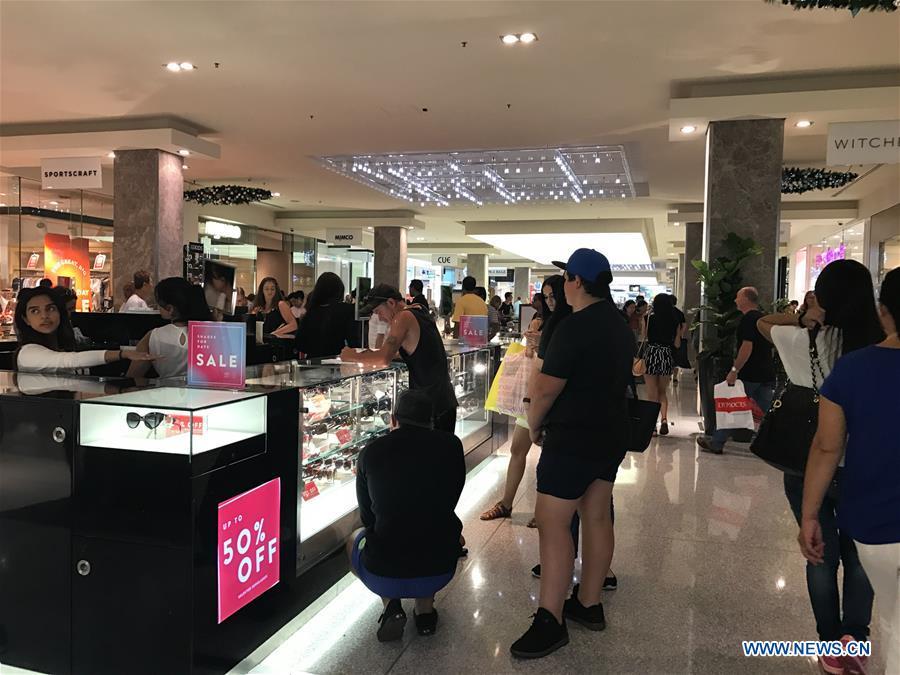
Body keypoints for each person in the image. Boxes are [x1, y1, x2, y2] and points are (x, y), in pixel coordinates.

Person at [755, 260, 882, 673]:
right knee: (859, 556)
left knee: (819, 555)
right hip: (861, 465)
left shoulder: (800, 338)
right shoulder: (876, 347)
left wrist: (802, 317)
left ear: (822, 298)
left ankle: (829, 643)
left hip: (805, 463)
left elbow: (760, 323)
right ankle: (854, 639)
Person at [511, 249, 633, 659]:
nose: (563, 285)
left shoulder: (573, 326)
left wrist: (533, 423)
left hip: (573, 437)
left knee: (552, 521)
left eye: (566, 278)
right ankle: (589, 603)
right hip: (610, 434)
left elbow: (546, 388)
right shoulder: (619, 326)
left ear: (577, 281)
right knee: (596, 514)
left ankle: (550, 619)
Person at [798, 266, 899, 675]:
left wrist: (808, 514)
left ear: (885, 310)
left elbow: (827, 446)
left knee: (890, 614)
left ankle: (837, 645)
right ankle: (854, 639)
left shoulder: (854, 367)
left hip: (876, 519)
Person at [348, 389, 465, 642]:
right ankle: (425, 612)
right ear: (431, 420)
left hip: (383, 569)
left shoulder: (370, 452)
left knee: (355, 537)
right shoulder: (452, 445)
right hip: (439, 567)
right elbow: (451, 498)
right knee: (433, 523)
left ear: (393, 419)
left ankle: (391, 604)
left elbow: (368, 517)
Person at [480, 274, 564, 523]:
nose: (549, 301)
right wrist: (534, 344)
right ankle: (506, 503)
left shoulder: (568, 324)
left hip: (554, 398)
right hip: (533, 395)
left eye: (553, 296)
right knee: (518, 449)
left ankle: (543, 511)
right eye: (545, 297)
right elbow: (530, 357)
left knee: (549, 458)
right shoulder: (543, 321)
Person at [342, 284, 457, 432]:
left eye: (378, 311)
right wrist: (370, 355)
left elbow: (383, 359)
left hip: (430, 406)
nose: (380, 318)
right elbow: (414, 350)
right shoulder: (419, 310)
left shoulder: (403, 317)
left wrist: (351, 355)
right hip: (443, 401)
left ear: (391, 303)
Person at [697, 286, 774, 454]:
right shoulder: (763, 319)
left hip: (750, 373)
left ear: (746, 299)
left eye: (738, 297)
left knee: (732, 407)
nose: (735, 300)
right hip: (765, 372)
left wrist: (734, 370)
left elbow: (747, 347)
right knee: (769, 412)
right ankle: (779, 444)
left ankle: (716, 442)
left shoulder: (748, 320)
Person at [14, 287, 155, 373]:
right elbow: (71, 361)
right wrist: (123, 354)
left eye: (50, 308)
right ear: (26, 319)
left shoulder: (62, 345)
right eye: (35, 311)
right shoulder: (28, 353)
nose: (44, 316)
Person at [127, 277, 213, 379]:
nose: (158, 308)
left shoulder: (153, 336)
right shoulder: (212, 333)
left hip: (165, 388)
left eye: (159, 304)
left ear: (170, 309)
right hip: (204, 389)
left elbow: (133, 377)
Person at [640, 293, 683, 435]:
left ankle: (652, 426)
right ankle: (664, 419)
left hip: (651, 354)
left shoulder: (648, 318)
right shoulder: (675, 321)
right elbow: (677, 344)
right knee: (662, 392)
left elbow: (644, 337)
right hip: (666, 355)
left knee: (652, 393)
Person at [296, 272, 358, 358]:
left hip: (313, 360)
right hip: (338, 359)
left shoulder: (311, 312)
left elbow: (300, 344)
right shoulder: (346, 310)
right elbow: (354, 341)